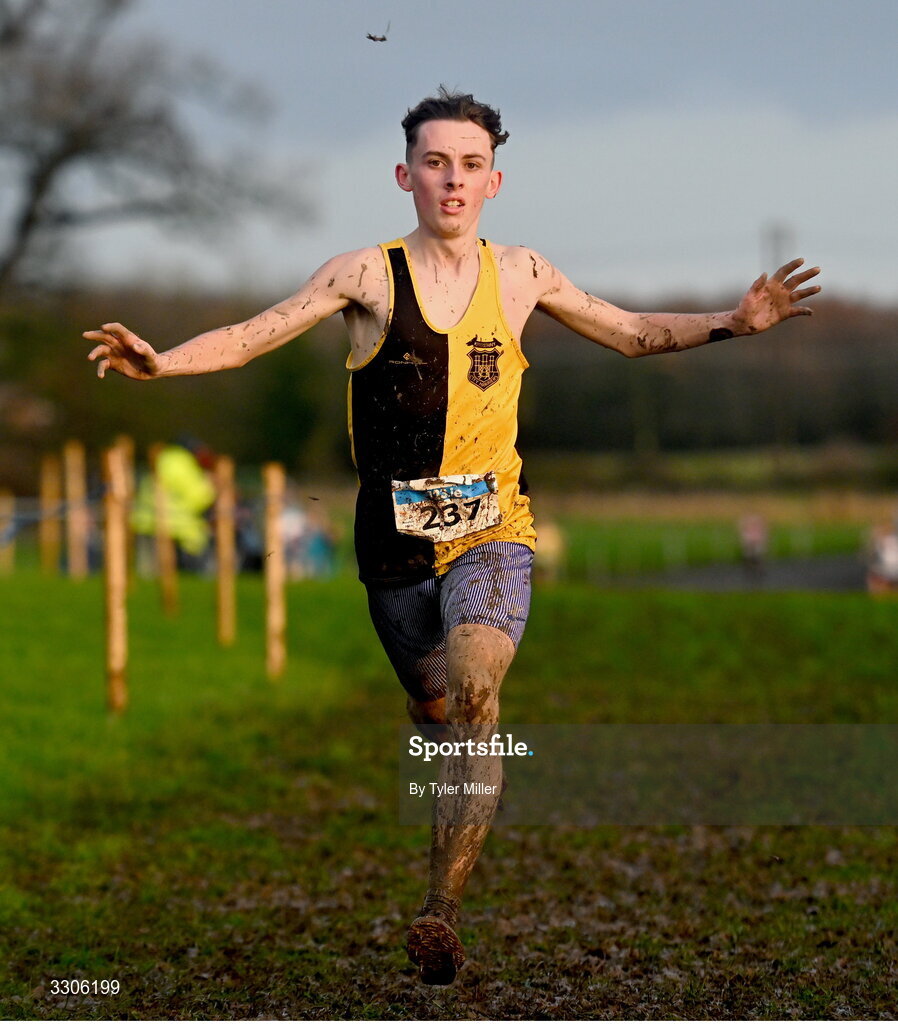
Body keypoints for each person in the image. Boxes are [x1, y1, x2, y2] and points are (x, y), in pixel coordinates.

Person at [84, 86, 821, 985]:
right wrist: (163, 362)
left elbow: (629, 333)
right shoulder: (362, 274)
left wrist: (732, 325)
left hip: (493, 528)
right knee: (435, 712)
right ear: (406, 175)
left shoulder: (524, 275)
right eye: (436, 163)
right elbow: (248, 336)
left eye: (470, 165)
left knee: (478, 693)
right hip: (389, 547)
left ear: (495, 180)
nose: (453, 180)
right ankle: (438, 778)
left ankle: (441, 905)